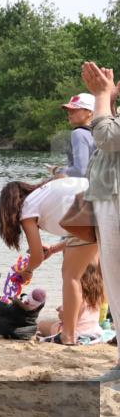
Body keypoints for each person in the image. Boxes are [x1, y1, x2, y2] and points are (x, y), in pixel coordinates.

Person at [0, 176, 98, 345]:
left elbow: (36, 257)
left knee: (71, 276)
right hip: (104, 201)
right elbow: (83, 235)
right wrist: (53, 249)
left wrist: (27, 271)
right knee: (111, 276)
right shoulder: (46, 190)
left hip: (90, 212)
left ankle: (68, 336)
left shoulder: (27, 208)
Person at [81, 61, 120, 379]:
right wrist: (109, 99)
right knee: (115, 284)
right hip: (110, 199)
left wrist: (102, 95)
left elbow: (106, 138)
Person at [38, 262, 105, 343]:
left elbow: (69, 318)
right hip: (94, 330)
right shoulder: (96, 297)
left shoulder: (78, 297)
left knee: (41, 325)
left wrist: (61, 312)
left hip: (77, 332)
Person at [48, 93, 96, 177]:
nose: (69, 113)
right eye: (69, 110)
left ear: (89, 112)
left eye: (74, 110)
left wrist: (57, 170)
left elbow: (80, 171)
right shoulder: (102, 132)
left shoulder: (78, 133)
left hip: (87, 187)